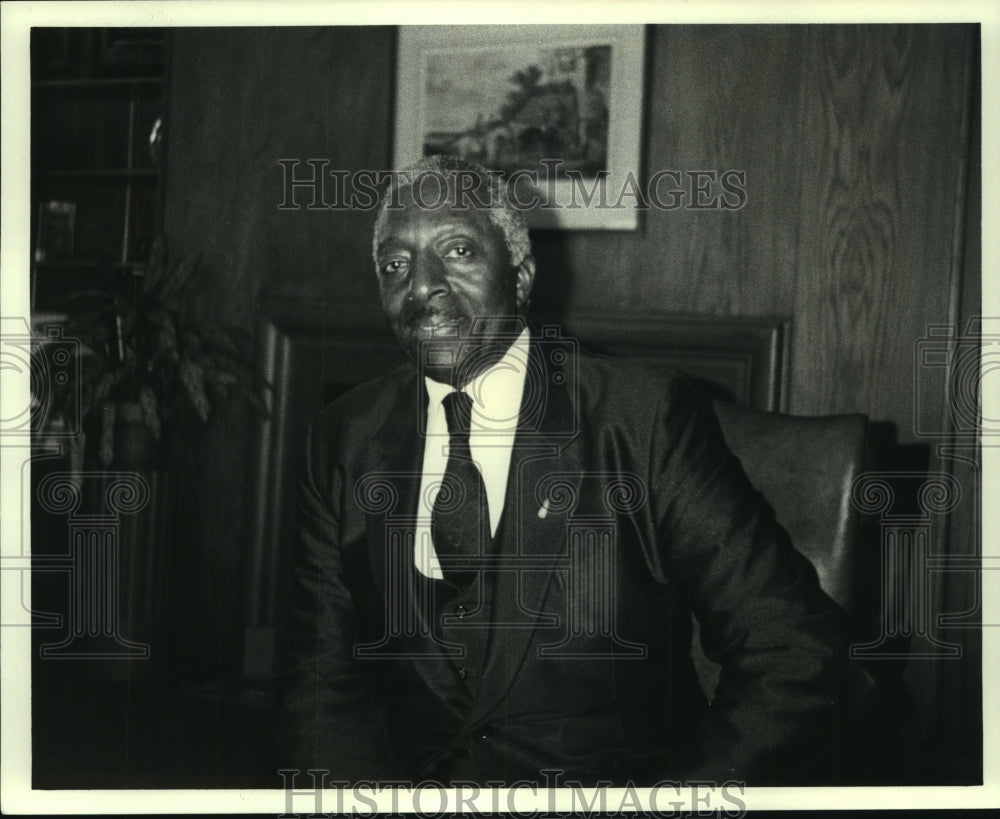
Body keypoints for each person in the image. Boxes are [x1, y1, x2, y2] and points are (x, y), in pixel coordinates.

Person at [274, 155, 842, 786]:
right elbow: (321, 682)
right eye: (394, 265)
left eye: (457, 250)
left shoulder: (642, 418)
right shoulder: (343, 436)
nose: (421, 285)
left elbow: (792, 651)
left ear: (520, 275)